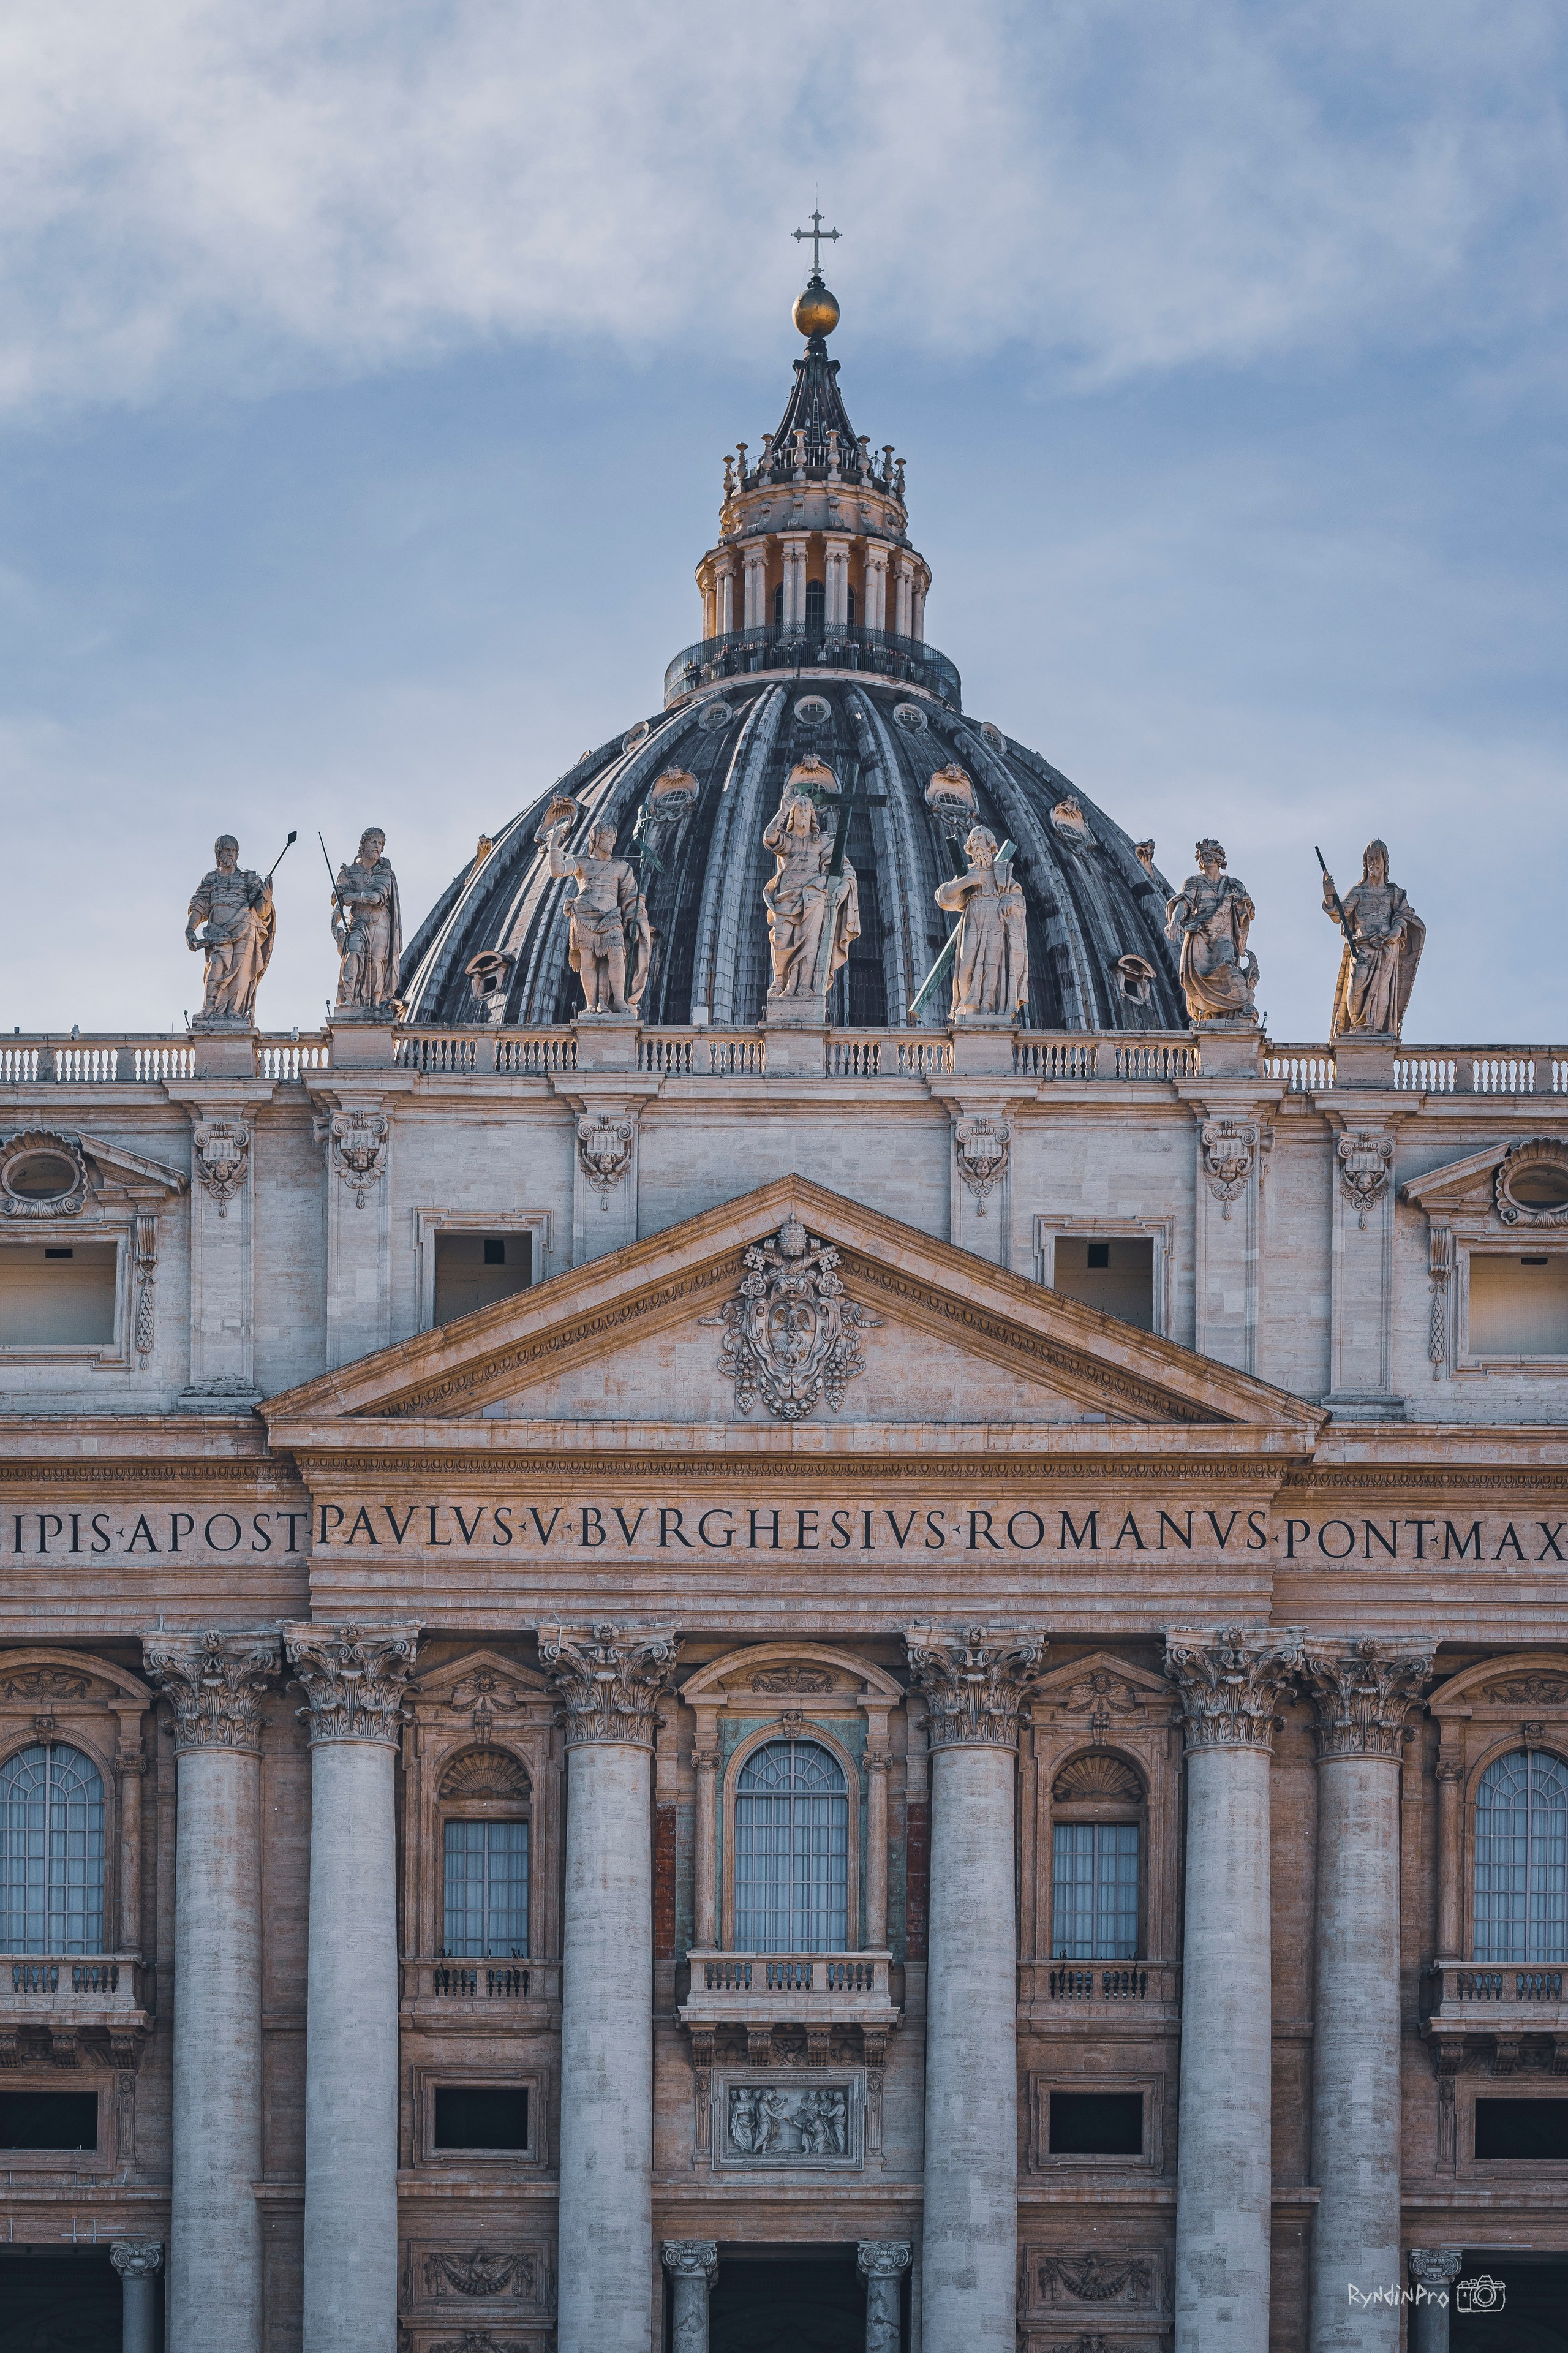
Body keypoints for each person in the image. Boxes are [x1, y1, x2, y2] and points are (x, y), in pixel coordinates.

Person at [761, 761, 859, 998]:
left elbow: (847, 871)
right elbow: (770, 838)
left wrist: (844, 887)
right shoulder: (788, 841)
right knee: (781, 938)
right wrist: (783, 811)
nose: (803, 815)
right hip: (786, 896)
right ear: (793, 817)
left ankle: (805, 985)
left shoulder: (823, 842)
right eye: (799, 812)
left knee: (811, 945)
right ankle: (780, 980)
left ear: (813, 816)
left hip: (814, 897)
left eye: (806, 811)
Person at [546, 819, 651, 1015]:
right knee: (588, 960)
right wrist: (554, 846)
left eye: (613, 838)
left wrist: (635, 920)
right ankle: (591, 1004)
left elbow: (631, 898)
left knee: (617, 955)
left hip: (611, 916)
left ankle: (619, 1000)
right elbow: (557, 870)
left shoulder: (622, 867)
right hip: (584, 914)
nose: (611, 841)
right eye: (607, 837)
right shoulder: (582, 863)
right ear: (596, 838)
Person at [1322, 839, 1424, 1038]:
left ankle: (1375, 1030)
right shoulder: (1358, 891)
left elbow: (1404, 915)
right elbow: (1338, 914)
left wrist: (1397, 929)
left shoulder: (1394, 893)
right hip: (1362, 945)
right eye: (1369, 859)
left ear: (1385, 862)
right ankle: (1358, 1028)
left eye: (1377, 858)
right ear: (1365, 863)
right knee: (1356, 985)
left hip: (1386, 945)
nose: (1373, 863)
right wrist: (1328, 894)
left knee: (1381, 988)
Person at [935, 825, 1028, 1019]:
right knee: (965, 963)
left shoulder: (1002, 871)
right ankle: (967, 1005)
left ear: (990, 845)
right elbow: (944, 897)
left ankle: (987, 1004)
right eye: (974, 840)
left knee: (992, 965)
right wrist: (968, 881)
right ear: (969, 847)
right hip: (973, 917)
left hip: (996, 918)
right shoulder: (967, 873)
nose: (977, 844)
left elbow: (1017, 895)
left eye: (980, 839)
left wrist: (1007, 899)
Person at [1164, 839, 1259, 1022]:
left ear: (1218, 858)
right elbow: (1184, 903)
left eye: (1208, 855)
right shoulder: (1194, 882)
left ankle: (1240, 1005)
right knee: (1197, 975)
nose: (1205, 859)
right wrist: (1175, 921)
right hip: (1199, 932)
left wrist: (1243, 905)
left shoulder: (1234, 884)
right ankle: (1210, 1011)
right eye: (1202, 856)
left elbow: (1247, 912)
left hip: (1224, 934)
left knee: (1228, 967)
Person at [186, 836, 276, 1024]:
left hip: (244, 929)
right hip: (218, 932)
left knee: (241, 971)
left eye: (233, 851)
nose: (230, 855)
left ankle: (235, 1011)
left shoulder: (248, 878)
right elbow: (199, 904)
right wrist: (190, 929)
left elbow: (260, 911)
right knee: (216, 967)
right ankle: (209, 1008)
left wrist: (266, 899)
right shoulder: (210, 878)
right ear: (218, 854)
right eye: (226, 850)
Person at [332, 828, 403, 1011]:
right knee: (353, 955)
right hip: (358, 924)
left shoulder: (385, 873)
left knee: (378, 963)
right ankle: (348, 999)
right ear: (363, 844)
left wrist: (353, 896)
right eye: (374, 842)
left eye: (380, 844)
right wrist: (334, 926)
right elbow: (338, 902)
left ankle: (377, 1003)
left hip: (381, 925)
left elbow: (378, 898)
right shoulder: (348, 872)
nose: (377, 847)